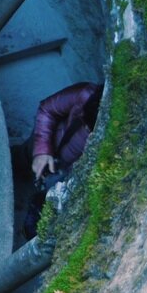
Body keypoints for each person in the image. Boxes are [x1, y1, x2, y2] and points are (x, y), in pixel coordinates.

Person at [23, 81, 103, 238]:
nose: (87, 131)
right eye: (85, 126)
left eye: (90, 130)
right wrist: (41, 151)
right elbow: (47, 109)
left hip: (65, 173)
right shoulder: (85, 94)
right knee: (23, 158)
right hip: (48, 143)